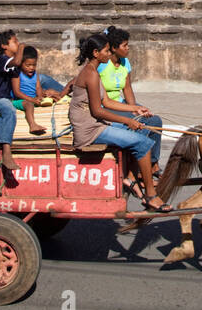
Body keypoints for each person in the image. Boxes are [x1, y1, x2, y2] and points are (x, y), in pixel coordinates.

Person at [69, 32, 170, 212]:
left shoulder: (93, 71)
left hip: (96, 124)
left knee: (142, 130)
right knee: (143, 143)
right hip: (90, 130)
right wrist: (127, 121)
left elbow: (107, 102)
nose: (109, 54)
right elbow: (98, 110)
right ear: (95, 53)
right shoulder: (90, 74)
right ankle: (151, 195)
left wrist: (135, 110)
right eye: (106, 51)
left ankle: (132, 176)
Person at [96, 25, 163, 183]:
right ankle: (136, 169)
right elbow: (105, 100)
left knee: (155, 121)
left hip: (121, 103)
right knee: (141, 125)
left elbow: (127, 88)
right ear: (113, 48)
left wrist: (136, 108)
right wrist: (132, 110)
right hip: (107, 106)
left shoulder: (125, 62)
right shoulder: (102, 64)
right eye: (125, 45)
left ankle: (153, 164)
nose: (128, 48)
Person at [10, 45, 72, 136]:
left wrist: (40, 97)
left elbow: (38, 88)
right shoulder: (17, 74)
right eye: (28, 65)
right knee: (29, 105)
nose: (31, 68)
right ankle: (32, 125)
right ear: (20, 64)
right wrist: (32, 100)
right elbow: (17, 92)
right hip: (20, 100)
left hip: (33, 98)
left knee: (51, 94)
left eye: (34, 65)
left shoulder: (35, 74)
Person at [0, 30, 23, 169]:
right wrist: (23, 48)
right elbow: (18, 60)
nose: (18, 44)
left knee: (6, 112)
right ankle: (7, 151)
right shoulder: (2, 60)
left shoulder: (12, 65)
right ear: (4, 46)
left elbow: (17, 87)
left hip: (7, 97)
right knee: (9, 112)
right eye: (15, 42)